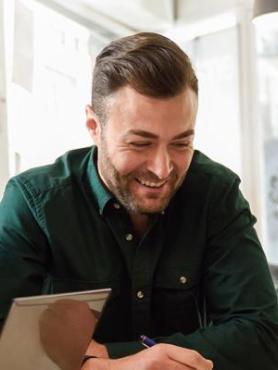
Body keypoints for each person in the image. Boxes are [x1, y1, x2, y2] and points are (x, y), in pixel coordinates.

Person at [0, 32, 277, 370]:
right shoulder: (32, 203)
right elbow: (4, 350)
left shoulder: (214, 194)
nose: (162, 169)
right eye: (140, 144)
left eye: (181, 143)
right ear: (94, 126)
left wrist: (107, 358)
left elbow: (264, 336)